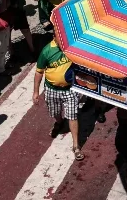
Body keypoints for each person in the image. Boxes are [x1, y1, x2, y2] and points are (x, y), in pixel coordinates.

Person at [33, 29, 84, 161]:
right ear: (54, 37)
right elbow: (39, 72)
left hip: (70, 89)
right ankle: (59, 122)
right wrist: (36, 92)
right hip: (52, 90)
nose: (63, 41)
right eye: (60, 38)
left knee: (73, 115)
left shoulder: (72, 47)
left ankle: (76, 146)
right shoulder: (46, 51)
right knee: (55, 112)